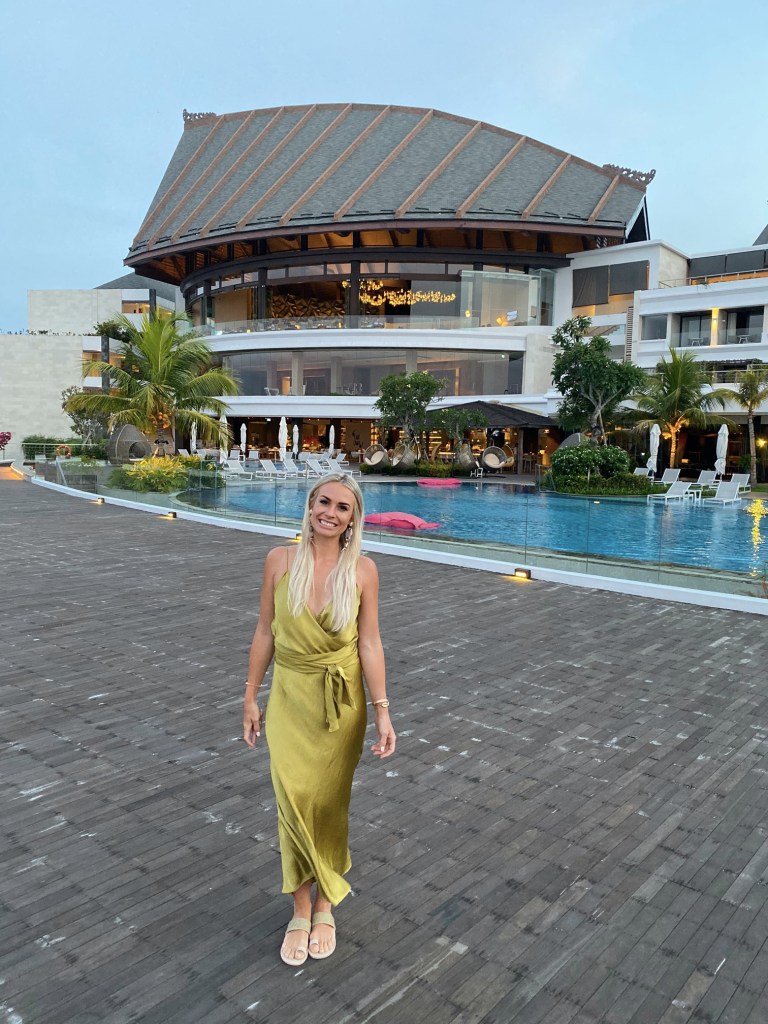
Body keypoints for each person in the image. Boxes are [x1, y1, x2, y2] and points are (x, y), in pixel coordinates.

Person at [243, 473, 396, 966]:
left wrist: (383, 711)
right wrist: (250, 696)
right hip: (290, 698)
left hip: (342, 703)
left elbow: (369, 642)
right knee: (292, 800)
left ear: (354, 519)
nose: (331, 512)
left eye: (343, 507)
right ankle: (300, 907)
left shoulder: (364, 571)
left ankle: (325, 902)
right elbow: (265, 632)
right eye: (324, 502)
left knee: (329, 804)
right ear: (310, 506)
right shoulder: (279, 560)